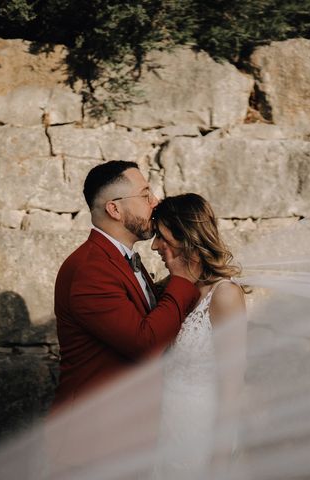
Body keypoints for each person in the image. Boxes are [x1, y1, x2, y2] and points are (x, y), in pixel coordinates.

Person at [50, 161, 201, 412]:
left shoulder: (119, 259)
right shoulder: (90, 270)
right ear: (115, 209)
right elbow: (146, 344)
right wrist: (183, 279)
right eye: (145, 195)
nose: (156, 201)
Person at [149, 193, 247, 477]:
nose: (155, 246)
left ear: (188, 238)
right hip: (162, 434)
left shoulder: (224, 295)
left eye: (162, 237)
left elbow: (232, 385)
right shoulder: (168, 291)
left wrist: (218, 461)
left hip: (199, 437)